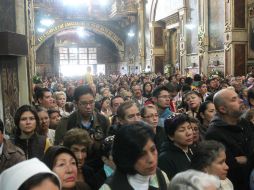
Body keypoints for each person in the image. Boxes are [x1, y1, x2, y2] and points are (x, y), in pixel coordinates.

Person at [206, 88, 254, 190]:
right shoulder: (214, 133)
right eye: (234, 99)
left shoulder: (244, 123)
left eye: (238, 97)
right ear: (223, 109)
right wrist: (239, 160)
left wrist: (246, 159)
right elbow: (226, 165)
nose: (241, 100)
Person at [100, 122, 170, 190]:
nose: (151, 159)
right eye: (142, 154)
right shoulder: (110, 187)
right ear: (127, 157)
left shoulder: (160, 176)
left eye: (153, 150)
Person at [158, 113, 193, 179]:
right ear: (171, 136)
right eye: (182, 130)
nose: (189, 133)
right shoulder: (165, 159)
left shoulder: (193, 149)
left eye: (189, 128)